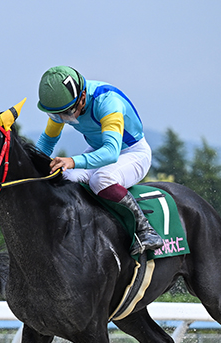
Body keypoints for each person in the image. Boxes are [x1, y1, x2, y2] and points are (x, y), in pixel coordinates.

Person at [36, 66, 164, 256]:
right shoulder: (62, 105)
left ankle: (146, 229)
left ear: (82, 97)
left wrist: (72, 160)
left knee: (101, 179)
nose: (63, 118)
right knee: (65, 180)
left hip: (132, 152)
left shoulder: (107, 102)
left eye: (67, 112)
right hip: (98, 151)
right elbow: (47, 143)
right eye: (57, 114)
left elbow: (111, 153)